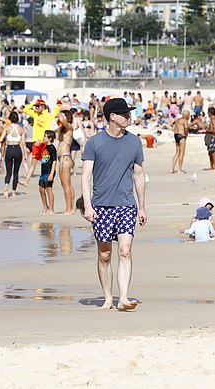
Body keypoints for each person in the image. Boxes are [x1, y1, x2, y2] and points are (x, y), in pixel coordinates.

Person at [81, 98, 147, 311]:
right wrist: (88, 206)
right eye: (124, 114)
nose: (129, 117)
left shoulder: (135, 142)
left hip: (127, 205)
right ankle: (108, 298)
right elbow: (85, 176)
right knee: (105, 254)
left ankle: (124, 298)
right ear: (112, 117)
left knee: (125, 251)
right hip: (101, 206)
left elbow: (138, 175)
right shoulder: (94, 143)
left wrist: (142, 206)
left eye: (129, 113)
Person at [22, 99, 59, 185]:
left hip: (44, 142)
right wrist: (33, 103)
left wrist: (42, 140)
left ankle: (48, 178)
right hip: (36, 143)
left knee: (46, 162)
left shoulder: (48, 116)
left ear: (43, 106)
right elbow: (25, 110)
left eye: (38, 106)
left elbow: (48, 128)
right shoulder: (35, 114)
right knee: (33, 162)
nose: (36, 107)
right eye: (36, 106)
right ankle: (26, 181)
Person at [0, 111, 26, 199]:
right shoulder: (21, 129)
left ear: (10, 119)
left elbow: (1, 139)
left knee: (9, 172)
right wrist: (25, 155)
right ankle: (13, 192)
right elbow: (23, 143)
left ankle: (6, 188)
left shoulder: (7, 128)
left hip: (9, 149)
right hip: (18, 149)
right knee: (16, 172)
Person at [57, 109, 75, 214]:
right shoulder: (63, 129)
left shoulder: (69, 127)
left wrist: (60, 115)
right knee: (66, 184)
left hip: (65, 158)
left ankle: (69, 209)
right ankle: (71, 208)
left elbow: (64, 122)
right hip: (62, 158)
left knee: (66, 185)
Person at [39, 130, 57, 215]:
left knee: (48, 189)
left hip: (49, 171)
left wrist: (51, 174)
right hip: (43, 171)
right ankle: (45, 207)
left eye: (45, 136)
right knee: (41, 189)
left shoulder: (52, 148)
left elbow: (54, 161)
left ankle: (51, 209)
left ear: (50, 138)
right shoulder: (45, 147)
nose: (44, 138)